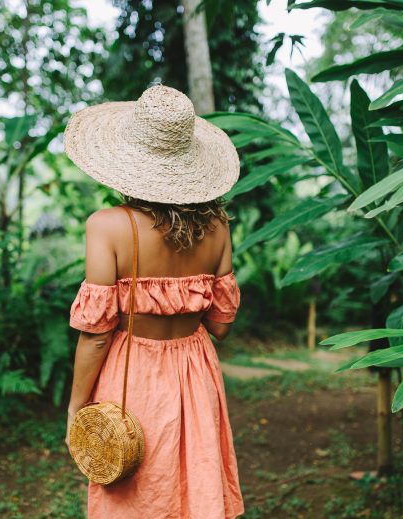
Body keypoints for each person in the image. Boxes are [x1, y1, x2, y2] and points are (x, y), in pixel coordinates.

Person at [63, 84, 244, 518]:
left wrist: (75, 407)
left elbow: (97, 336)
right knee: (190, 486)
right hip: (194, 372)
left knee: (134, 490)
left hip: (132, 373)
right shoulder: (217, 227)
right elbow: (219, 325)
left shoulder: (107, 226)